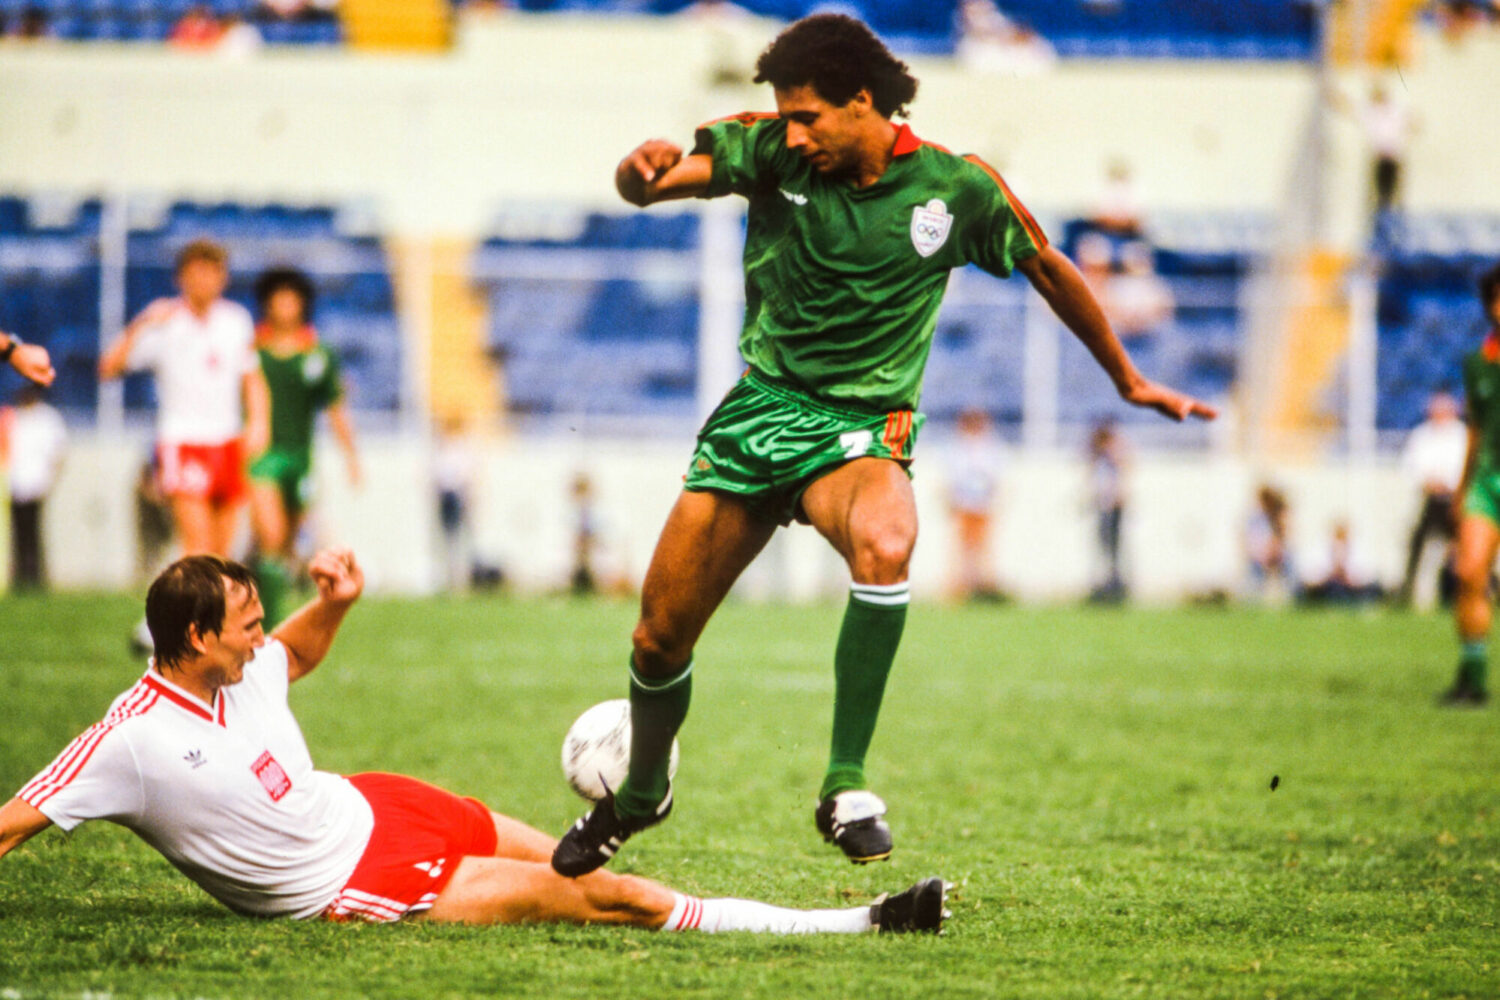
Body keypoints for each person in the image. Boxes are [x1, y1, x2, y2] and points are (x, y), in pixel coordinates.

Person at [550, 13, 1216, 879]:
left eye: (809, 116)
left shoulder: (957, 189)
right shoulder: (770, 152)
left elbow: (1049, 266)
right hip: (760, 413)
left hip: (861, 431)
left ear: (863, 102)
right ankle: (640, 796)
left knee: (888, 541)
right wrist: (634, 173)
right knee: (656, 642)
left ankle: (846, 782)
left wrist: (1127, 380)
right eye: (784, 117)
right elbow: (656, 183)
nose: (792, 133)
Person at [0, 549, 948, 935]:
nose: (262, 633)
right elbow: (10, 824)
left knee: (579, 853)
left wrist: (335, 603)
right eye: (246, 622)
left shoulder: (242, 667)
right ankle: (861, 923)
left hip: (377, 802)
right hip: (348, 884)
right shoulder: (128, 743)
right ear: (196, 639)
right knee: (600, 896)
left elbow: (296, 655)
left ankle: (820, 917)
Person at [100, 239, 270, 563]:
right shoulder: (166, 323)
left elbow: (252, 378)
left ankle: (216, 614)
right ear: (181, 278)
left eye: (212, 272)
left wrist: (259, 423)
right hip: (183, 440)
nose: (204, 281)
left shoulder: (236, 321)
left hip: (228, 440)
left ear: (223, 277)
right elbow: (108, 367)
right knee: (198, 547)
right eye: (196, 273)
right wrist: (142, 322)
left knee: (224, 553)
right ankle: (185, 613)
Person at [248, 268, 360, 628]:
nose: (285, 305)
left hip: (301, 459)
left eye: (291, 298)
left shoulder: (317, 354)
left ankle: (266, 613)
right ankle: (265, 628)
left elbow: (335, 408)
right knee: (270, 536)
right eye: (278, 297)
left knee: (285, 546)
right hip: (263, 457)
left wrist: (352, 457)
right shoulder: (252, 349)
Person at [1443, 262, 1500, 706]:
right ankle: (1473, 678)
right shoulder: (1476, 364)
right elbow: (1475, 431)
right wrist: (1462, 488)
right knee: (1468, 574)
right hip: (1486, 481)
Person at [1397, 391, 1468, 608]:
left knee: (1464, 547)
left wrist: (1450, 484)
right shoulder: (1421, 434)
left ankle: (1465, 591)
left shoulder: (1461, 434)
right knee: (1417, 543)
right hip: (1430, 500)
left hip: (1455, 499)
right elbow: (1412, 467)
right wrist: (1430, 482)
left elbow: (1464, 467)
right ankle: (1406, 592)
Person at [1, 383, 67, 590]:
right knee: (18, 534)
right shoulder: (13, 417)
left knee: (33, 534)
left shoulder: (48, 418)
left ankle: (35, 577)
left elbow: (58, 453)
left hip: (37, 484)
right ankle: (20, 577)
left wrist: (49, 481)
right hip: (15, 485)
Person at [945, 408, 1005, 601]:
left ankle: (983, 588)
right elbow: (953, 476)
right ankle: (962, 588)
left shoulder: (989, 447)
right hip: (964, 503)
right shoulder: (957, 447)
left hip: (982, 503)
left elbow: (993, 475)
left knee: (983, 548)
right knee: (963, 549)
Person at [1086, 418, 1129, 603]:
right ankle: (1105, 584)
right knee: (1103, 547)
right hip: (1102, 507)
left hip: (1114, 508)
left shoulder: (1114, 459)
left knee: (1114, 549)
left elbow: (1123, 477)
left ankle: (1115, 585)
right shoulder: (1099, 459)